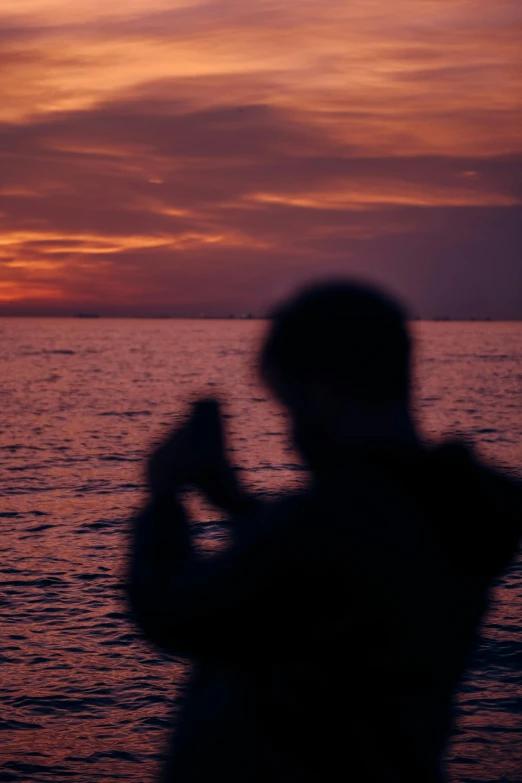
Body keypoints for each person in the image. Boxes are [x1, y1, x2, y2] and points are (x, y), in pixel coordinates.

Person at [127, 281, 521, 782]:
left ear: (323, 385)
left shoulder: (330, 523)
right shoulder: (446, 506)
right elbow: (317, 575)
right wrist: (235, 504)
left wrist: (163, 498)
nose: (291, 433)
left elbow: (169, 611)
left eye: (289, 405)